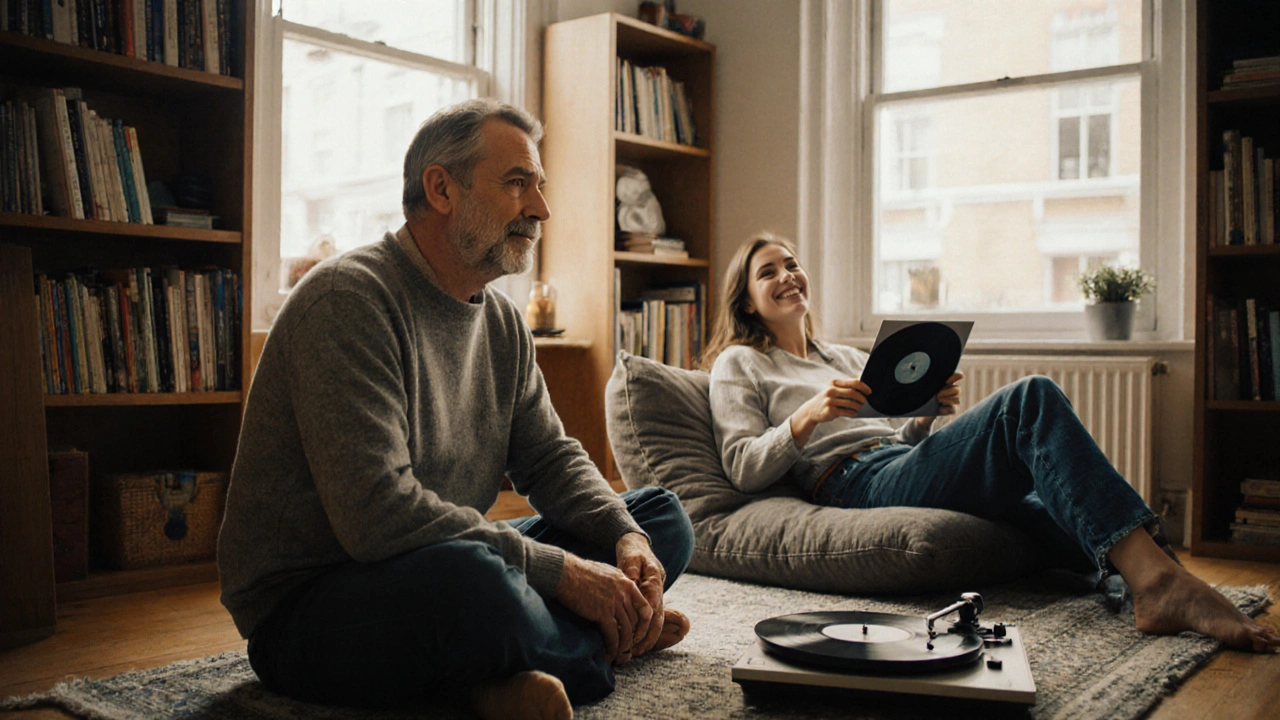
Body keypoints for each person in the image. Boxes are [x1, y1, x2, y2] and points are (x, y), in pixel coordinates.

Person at [217, 99, 695, 720]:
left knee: (660, 519)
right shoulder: (345, 301)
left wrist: (623, 537)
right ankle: (598, 644)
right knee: (479, 584)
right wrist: (567, 576)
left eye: (540, 187)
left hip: (434, 556)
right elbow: (378, 518)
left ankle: (512, 667)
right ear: (440, 188)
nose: (541, 209)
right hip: (314, 601)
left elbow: (548, 458)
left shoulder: (500, 320)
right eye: (518, 184)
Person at [703, 231, 1280, 653]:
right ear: (747, 301)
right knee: (1030, 399)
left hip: (896, 461)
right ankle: (1161, 583)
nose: (787, 276)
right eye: (768, 272)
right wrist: (805, 418)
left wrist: (929, 416)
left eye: (792, 264)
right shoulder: (741, 362)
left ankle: (1157, 580)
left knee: (1065, 517)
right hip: (851, 482)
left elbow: (894, 437)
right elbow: (742, 468)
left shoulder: (848, 357)